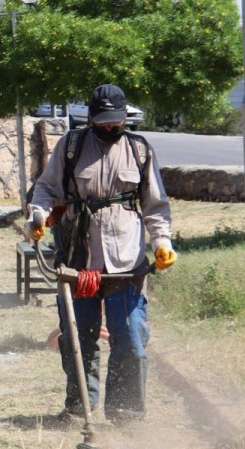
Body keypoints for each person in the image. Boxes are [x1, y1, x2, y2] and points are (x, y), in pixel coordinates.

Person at [26, 83, 176, 424]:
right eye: (104, 120)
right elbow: (47, 189)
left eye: (117, 120)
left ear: (126, 116)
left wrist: (162, 242)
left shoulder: (140, 150)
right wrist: (38, 216)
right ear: (90, 117)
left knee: (131, 337)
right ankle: (80, 409)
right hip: (79, 261)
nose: (111, 126)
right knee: (79, 338)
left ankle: (127, 413)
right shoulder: (71, 146)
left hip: (127, 263)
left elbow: (155, 204)